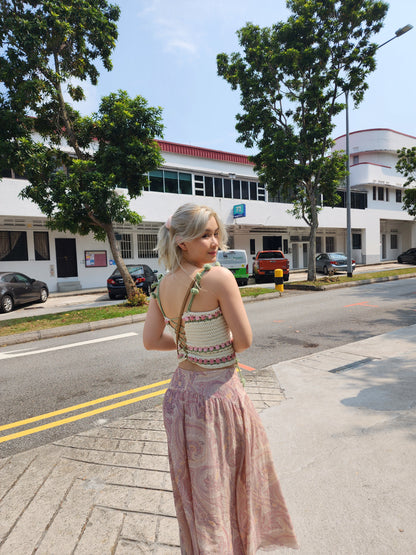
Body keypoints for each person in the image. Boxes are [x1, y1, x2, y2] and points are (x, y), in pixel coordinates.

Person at [143, 203, 298, 554]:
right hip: (218, 398)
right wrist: (211, 345)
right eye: (205, 235)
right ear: (181, 241)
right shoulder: (218, 278)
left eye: (216, 234)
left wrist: (189, 346)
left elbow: (152, 341)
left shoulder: (160, 286)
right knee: (230, 485)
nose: (215, 243)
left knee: (198, 492)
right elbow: (243, 341)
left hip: (179, 400)